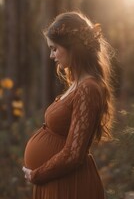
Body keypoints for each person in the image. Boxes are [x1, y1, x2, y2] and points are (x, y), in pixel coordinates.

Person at [22, 11, 114, 199]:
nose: (51, 55)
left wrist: (37, 174)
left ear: (72, 47)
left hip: (71, 186)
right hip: (57, 182)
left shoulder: (88, 88)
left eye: (54, 49)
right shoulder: (76, 85)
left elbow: (74, 154)